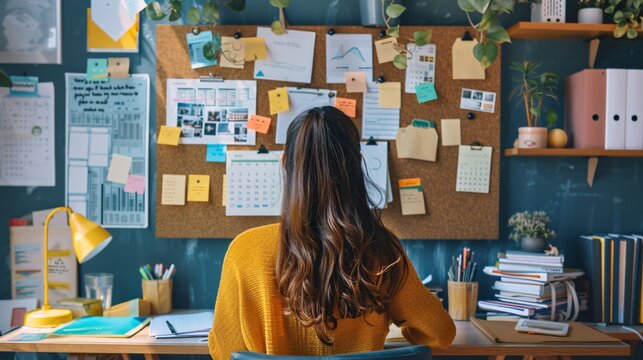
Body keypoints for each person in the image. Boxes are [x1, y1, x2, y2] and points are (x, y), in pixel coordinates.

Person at [209, 106, 455, 359]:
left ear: (285, 163)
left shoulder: (245, 250)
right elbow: (439, 332)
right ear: (357, 164)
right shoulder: (380, 249)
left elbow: (224, 351)